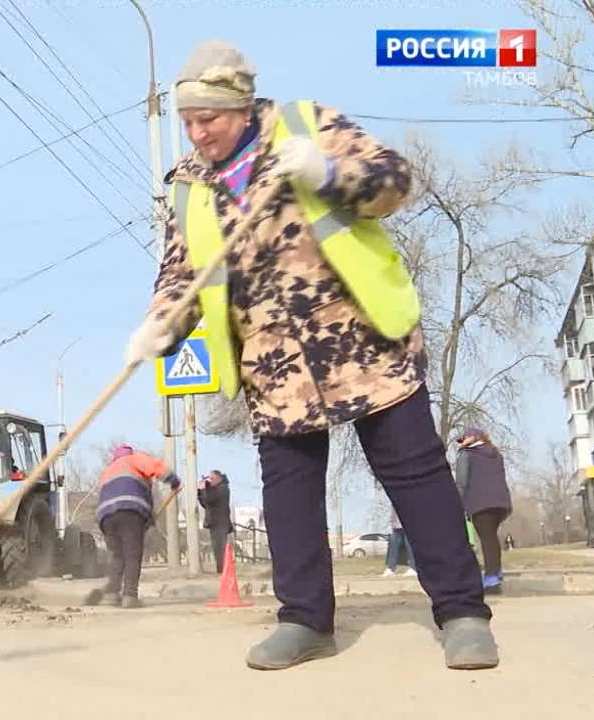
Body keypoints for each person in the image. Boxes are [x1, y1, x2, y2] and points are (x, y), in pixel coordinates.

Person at [124, 39, 497, 670]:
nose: (196, 131)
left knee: (415, 475)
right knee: (289, 492)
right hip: (272, 360)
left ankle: (462, 612)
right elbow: (179, 273)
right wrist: (161, 324)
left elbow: (394, 181)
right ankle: (304, 621)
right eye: (187, 120)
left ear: (240, 107)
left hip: (360, 335)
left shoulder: (305, 126)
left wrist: (326, 173)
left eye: (207, 117)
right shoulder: (188, 186)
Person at [83, 444, 181, 609]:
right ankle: (130, 596)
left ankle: (112, 594)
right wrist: (173, 480)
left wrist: (148, 518)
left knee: (117, 556)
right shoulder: (134, 459)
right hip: (129, 511)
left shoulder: (108, 470)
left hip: (106, 517)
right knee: (132, 555)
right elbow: (156, 468)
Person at [454, 427, 513, 594]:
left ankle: (492, 580)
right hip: (501, 503)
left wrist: (459, 504)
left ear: (473, 437)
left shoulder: (466, 455)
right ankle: (496, 573)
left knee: (487, 539)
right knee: (491, 537)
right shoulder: (495, 453)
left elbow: (462, 482)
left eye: (463, 439)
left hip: (480, 502)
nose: (461, 443)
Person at [198, 470, 234, 573]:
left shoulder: (223, 489)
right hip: (214, 523)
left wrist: (205, 489)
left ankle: (223, 571)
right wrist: (200, 492)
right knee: (216, 549)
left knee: (220, 549)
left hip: (220, 523)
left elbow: (210, 499)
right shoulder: (214, 489)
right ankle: (221, 570)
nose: (210, 481)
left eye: (212, 478)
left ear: (219, 479)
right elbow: (206, 504)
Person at [383, 507, 418, 577]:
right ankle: (390, 568)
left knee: (409, 546)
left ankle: (413, 568)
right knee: (393, 546)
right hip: (396, 525)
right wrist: (392, 523)